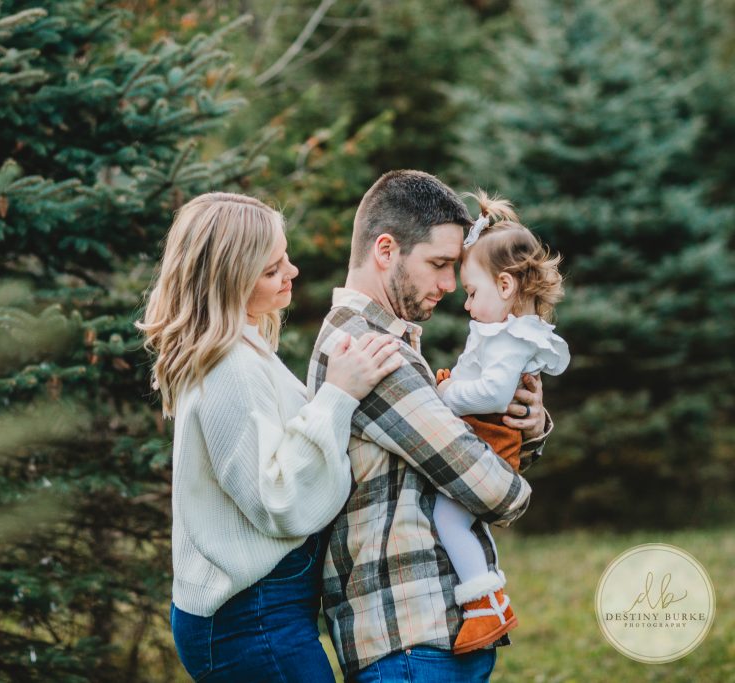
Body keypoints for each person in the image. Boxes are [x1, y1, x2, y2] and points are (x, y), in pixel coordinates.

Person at [136, 192, 404, 682]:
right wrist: (338, 395)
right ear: (229, 280)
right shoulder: (229, 370)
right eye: (271, 269)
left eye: (285, 257)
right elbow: (275, 497)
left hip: (260, 606)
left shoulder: (242, 349)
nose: (293, 272)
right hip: (249, 615)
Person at [306, 171, 553, 682]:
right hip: (408, 642)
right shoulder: (367, 348)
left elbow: (442, 459)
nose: (448, 284)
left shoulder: (389, 340)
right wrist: (513, 482)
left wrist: (525, 428)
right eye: (439, 265)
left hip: (426, 639)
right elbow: (487, 488)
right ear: (386, 250)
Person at [432, 190, 570, 655]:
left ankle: (485, 603)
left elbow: (491, 395)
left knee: (448, 519)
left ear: (506, 287)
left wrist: (446, 394)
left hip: (490, 442)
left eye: (472, 292)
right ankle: (485, 597)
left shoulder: (512, 340)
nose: (467, 305)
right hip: (486, 438)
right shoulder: (502, 332)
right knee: (454, 519)